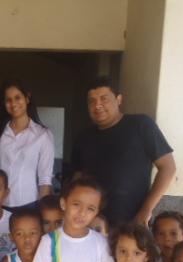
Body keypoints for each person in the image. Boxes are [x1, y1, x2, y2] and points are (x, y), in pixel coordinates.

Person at [70, 76, 176, 226]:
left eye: (104, 98)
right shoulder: (83, 137)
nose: (97, 105)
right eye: (92, 101)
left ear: (119, 99)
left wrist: (146, 210)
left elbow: (168, 167)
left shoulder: (141, 125)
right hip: (92, 224)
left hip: (132, 222)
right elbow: (77, 179)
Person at [0, 79, 54, 209]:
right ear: (4, 103)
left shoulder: (43, 135)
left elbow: (45, 179)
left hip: (29, 206)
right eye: (8, 100)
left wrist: (42, 212)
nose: (13, 104)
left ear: (27, 98)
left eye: (18, 98)